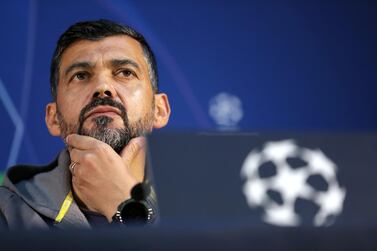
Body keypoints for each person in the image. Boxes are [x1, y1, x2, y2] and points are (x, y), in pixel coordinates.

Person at [0, 19, 171, 229]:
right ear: (54, 118)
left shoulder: (208, 203)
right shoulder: (7, 215)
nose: (102, 86)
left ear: (159, 110)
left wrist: (126, 207)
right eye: (80, 76)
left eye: (125, 72)